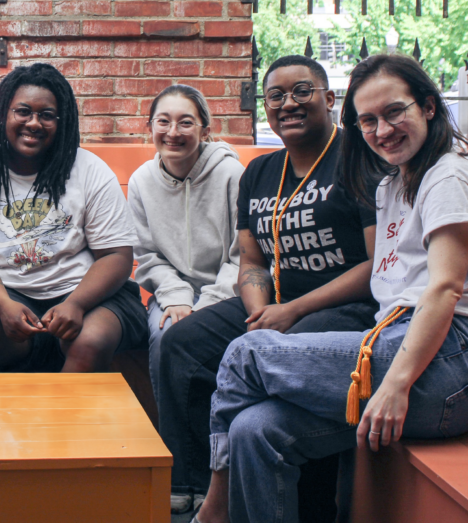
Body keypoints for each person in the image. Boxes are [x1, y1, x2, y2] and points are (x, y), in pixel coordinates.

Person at [195, 53, 468, 523]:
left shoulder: (447, 174)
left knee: (246, 353)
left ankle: (212, 511)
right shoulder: (391, 185)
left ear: (428, 106)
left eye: (395, 112)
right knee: (254, 430)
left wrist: (395, 384)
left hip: (445, 363)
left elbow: (444, 289)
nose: (382, 130)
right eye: (368, 120)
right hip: (392, 345)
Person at [157, 55, 380, 517]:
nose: (288, 104)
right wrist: (259, 311)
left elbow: (376, 266)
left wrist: (290, 313)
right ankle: (199, 481)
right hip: (272, 303)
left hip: (346, 307)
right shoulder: (259, 172)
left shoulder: (357, 160)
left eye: (302, 91)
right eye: (275, 96)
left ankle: (304, 504)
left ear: (330, 99)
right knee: (179, 345)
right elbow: (253, 261)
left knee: (286, 352)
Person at [0, 63, 147, 374]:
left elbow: (117, 256)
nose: (34, 123)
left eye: (47, 115)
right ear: (2, 115)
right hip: (7, 291)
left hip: (85, 292)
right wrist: (2, 306)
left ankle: (66, 424)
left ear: (61, 121)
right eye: (22, 111)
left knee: (90, 340)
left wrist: (76, 304)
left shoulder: (89, 169)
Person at [127, 85, 245, 401]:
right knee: (166, 336)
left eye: (186, 122)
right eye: (163, 121)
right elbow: (147, 253)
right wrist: (177, 298)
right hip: (172, 292)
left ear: (205, 129)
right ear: (149, 126)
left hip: (228, 293)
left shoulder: (232, 174)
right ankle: (173, 440)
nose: (173, 132)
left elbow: (243, 255)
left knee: (210, 342)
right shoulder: (140, 181)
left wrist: (208, 305)